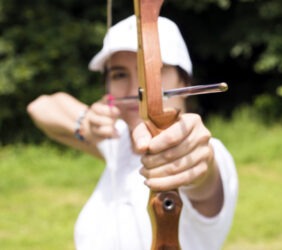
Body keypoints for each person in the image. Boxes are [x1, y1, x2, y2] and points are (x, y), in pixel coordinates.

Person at [27, 15, 237, 250]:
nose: (137, 89)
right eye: (119, 74)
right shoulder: (119, 143)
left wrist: (194, 159)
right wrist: (85, 122)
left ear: (184, 82)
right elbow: (40, 106)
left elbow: (200, 171)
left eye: (152, 72)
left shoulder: (206, 151)